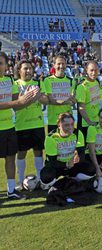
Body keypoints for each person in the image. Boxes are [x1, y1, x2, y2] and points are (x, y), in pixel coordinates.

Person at [0, 52, 40, 199]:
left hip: (9, 127)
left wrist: (29, 99)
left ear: (6, 65)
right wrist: (19, 102)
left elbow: (17, 105)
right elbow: (16, 103)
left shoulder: (10, 81)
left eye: (1, 63)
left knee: (10, 158)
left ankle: (11, 191)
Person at [13, 59, 48, 190]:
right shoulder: (15, 84)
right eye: (25, 68)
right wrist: (30, 97)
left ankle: (40, 180)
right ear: (19, 70)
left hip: (37, 123)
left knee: (38, 152)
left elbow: (46, 100)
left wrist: (38, 96)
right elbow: (16, 105)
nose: (28, 71)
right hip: (21, 125)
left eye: (30, 68)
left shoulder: (38, 82)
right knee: (21, 153)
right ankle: (20, 182)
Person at [40, 113, 96, 187]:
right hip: (57, 166)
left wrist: (77, 158)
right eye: (66, 125)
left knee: (91, 169)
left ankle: (73, 179)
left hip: (73, 165)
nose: (70, 127)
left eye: (72, 124)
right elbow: (52, 161)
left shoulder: (78, 133)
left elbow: (81, 153)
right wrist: (66, 164)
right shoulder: (51, 138)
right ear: (59, 125)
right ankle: (51, 184)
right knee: (46, 177)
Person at [43, 55, 76, 133]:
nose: (61, 66)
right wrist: (67, 100)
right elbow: (51, 100)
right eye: (58, 64)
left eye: (63, 64)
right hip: (53, 120)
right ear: (54, 65)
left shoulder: (71, 81)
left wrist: (70, 100)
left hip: (68, 120)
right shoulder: (48, 80)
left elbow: (73, 101)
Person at [76, 61, 102, 139]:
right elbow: (81, 108)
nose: (94, 73)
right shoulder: (82, 86)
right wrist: (89, 122)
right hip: (86, 124)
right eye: (91, 70)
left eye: (96, 70)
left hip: (97, 122)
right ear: (86, 70)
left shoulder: (97, 82)